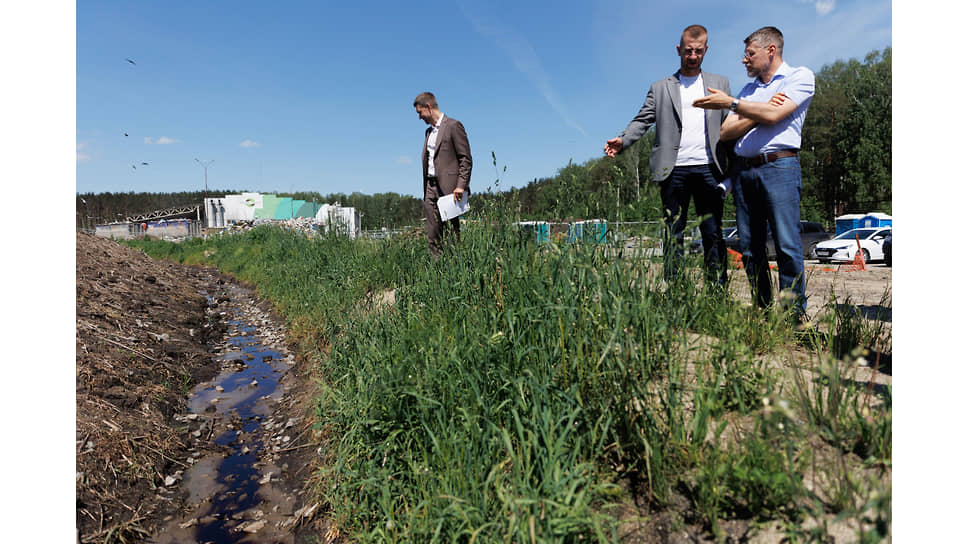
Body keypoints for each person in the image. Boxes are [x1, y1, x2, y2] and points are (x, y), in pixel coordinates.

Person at [693, 26, 814, 323]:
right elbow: (726, 131)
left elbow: (774, 115)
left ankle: (792, 316)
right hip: (746, 173)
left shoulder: (800, 76)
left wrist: (734, 105)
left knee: (786, 244)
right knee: (749, 248)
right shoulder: (750, 90)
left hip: (779, 167)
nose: (744, 60)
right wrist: (757, 112)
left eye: (750, 54)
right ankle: (762, 309)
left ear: (770, 50)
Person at [605, 24, 732, 287]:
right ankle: (675, 293)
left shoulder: (720, 84)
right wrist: (624, 139)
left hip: (710, 168)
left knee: (713, 233)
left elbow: (730, 124)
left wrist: (735, 169)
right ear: (678, 50)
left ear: (706, 50)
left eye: (698, 51)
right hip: (673, 171)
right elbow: (643, 119)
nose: (693, 56)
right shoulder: (661, 87)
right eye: (688, 51)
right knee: (673, 233)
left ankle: (717, 294)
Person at [414, 92, 472, 258]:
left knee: (452, 236)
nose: (419, 117)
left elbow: (466, 159)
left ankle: (455, 272)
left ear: (429, 107)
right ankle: (437, 276)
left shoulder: (453, 126)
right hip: (430, 188)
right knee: (433, 235)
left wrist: (461, 186)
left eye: (420, 112)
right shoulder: (428, 132)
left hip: (450, 191)